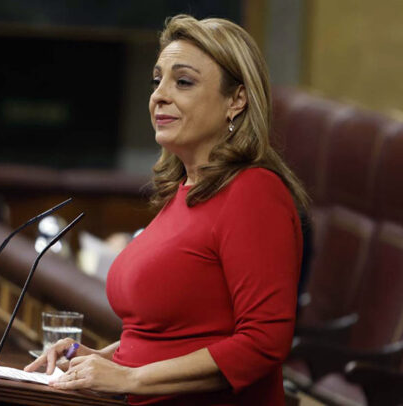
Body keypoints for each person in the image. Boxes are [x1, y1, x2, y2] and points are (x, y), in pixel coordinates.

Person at [25, 14, 309, 405]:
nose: (159, 94)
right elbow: (167, 335)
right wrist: (96, 359)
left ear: (236, 100)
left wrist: (131, 378)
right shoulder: (184, 192)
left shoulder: (253, 192)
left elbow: (264, 342)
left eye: (184, 81)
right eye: (157, 80)